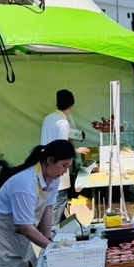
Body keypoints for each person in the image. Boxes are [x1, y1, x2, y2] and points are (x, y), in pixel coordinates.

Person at [40, 89, 90, 225]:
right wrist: (77, 150)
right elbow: (61, 147)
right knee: (58, 199)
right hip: (57, 164)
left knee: (49, 201)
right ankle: (52, 233)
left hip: (45, 163)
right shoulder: (63, 122)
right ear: (70, 107)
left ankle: (48, 231)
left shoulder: (48, 118)